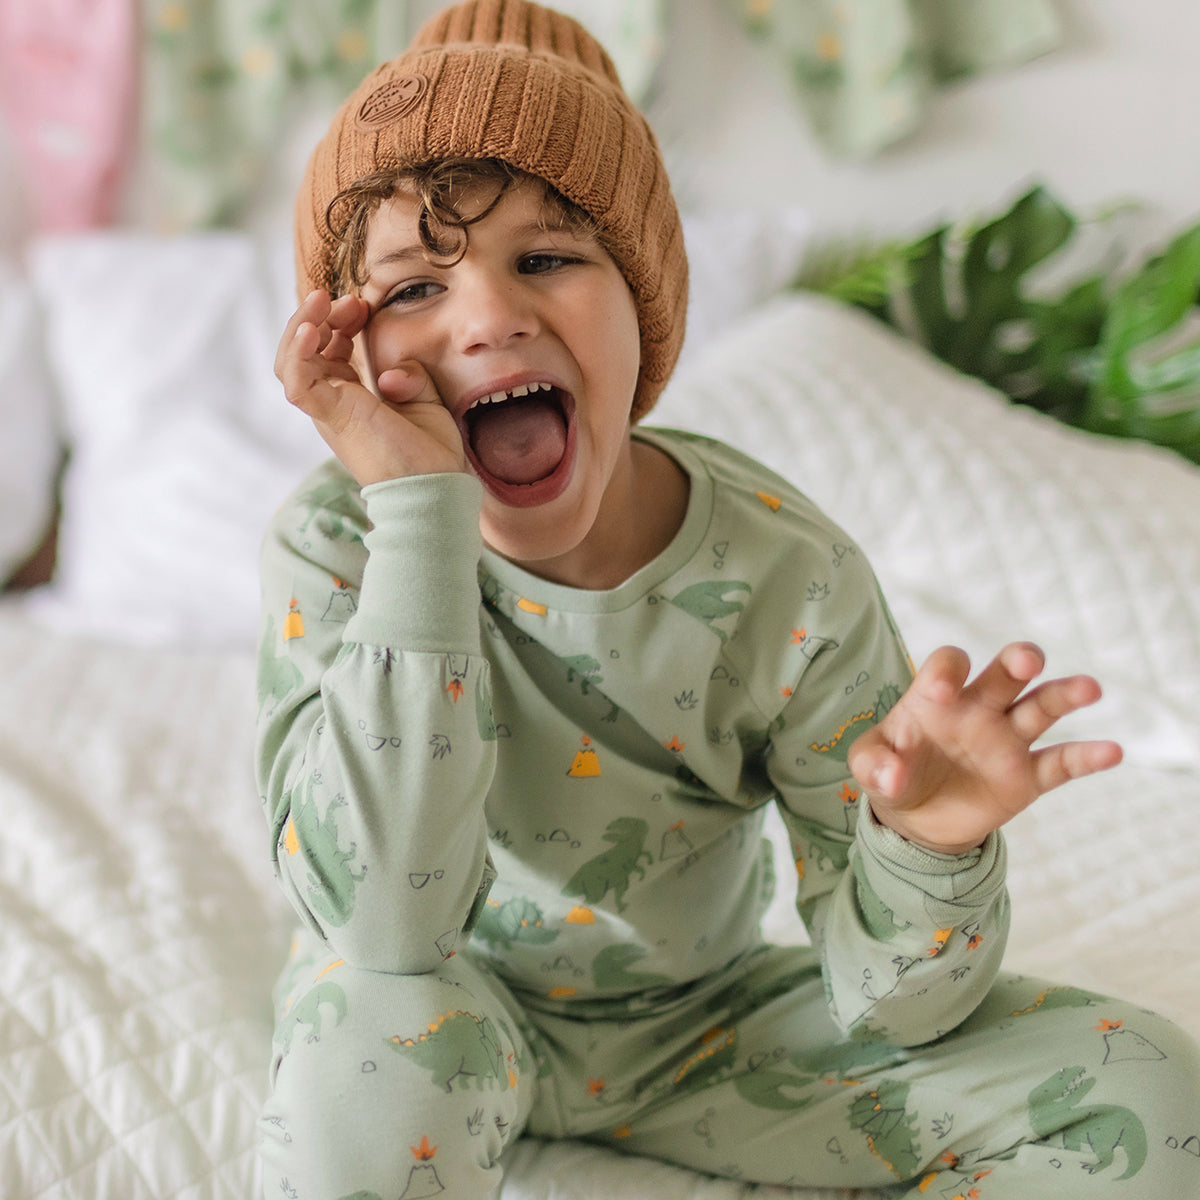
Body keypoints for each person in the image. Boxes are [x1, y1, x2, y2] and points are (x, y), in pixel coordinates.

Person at [254, 2, 1200, 1196]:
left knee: (1146, 1080)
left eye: (546, 259)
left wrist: (926, 848)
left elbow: (897, 1006)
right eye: (412, 290)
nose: (489, 316)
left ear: (644, 314)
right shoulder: (335, 541)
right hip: (436, 1006)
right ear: (344, 351)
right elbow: (382, 930)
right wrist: (422, 526)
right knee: (360, 1041)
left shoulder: (785, 575)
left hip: (700, 1030)